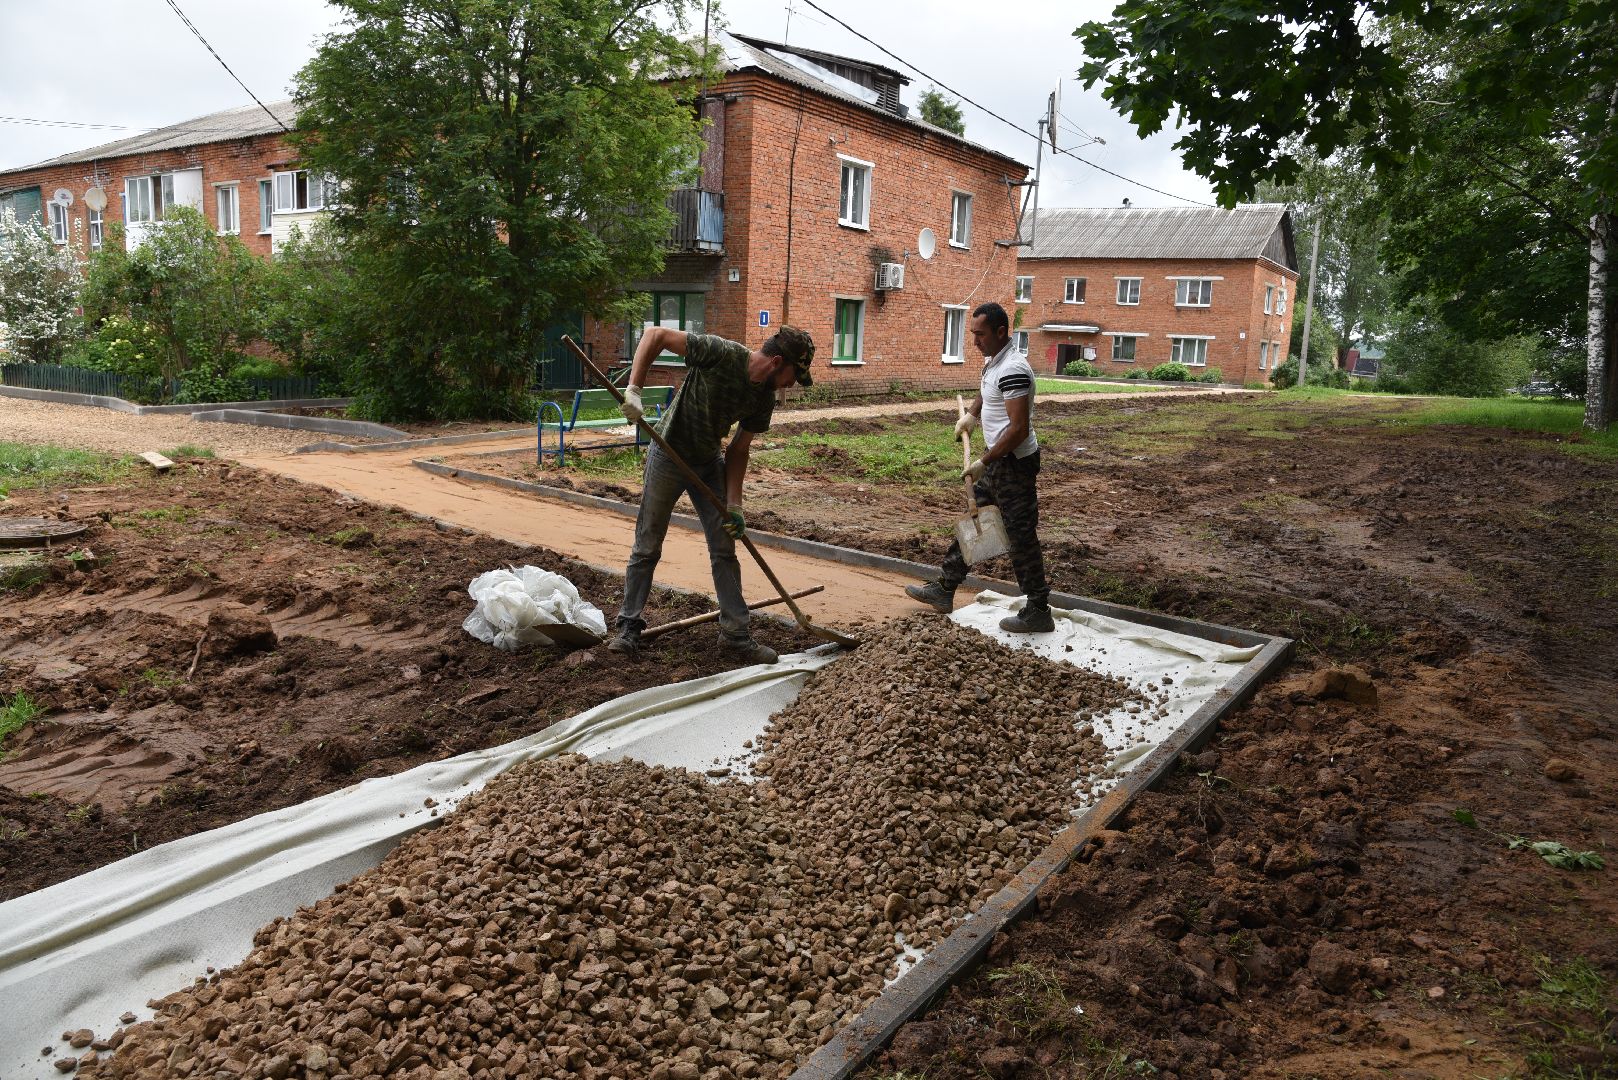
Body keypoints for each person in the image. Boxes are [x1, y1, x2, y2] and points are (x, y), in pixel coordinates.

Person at [606, 324, 816, 664]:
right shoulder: (721, 353)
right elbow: (654, 335)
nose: (791, 384)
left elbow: (738, 450)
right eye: (794, 375)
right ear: (778, 362)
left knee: (724, 547)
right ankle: (628, 627)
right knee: (647, 544)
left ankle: (735, 635)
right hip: (668, 453)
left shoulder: (763, 398)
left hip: (707, 461)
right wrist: (634, 390)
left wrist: (735, 505)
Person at [905, 301, 1054, 633]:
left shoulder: (1014, 369)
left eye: (980, 334)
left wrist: (984, 462)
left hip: (1014, 463)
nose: (974, 342)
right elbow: (988, 391)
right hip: (999, 458)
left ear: (1001, 332)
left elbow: (1018, 429)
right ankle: (945, 588)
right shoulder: (995, 361)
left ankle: (1038, 610)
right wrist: (972, 415)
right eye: (973, 334)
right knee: (974, 521)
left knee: (1019, 535)